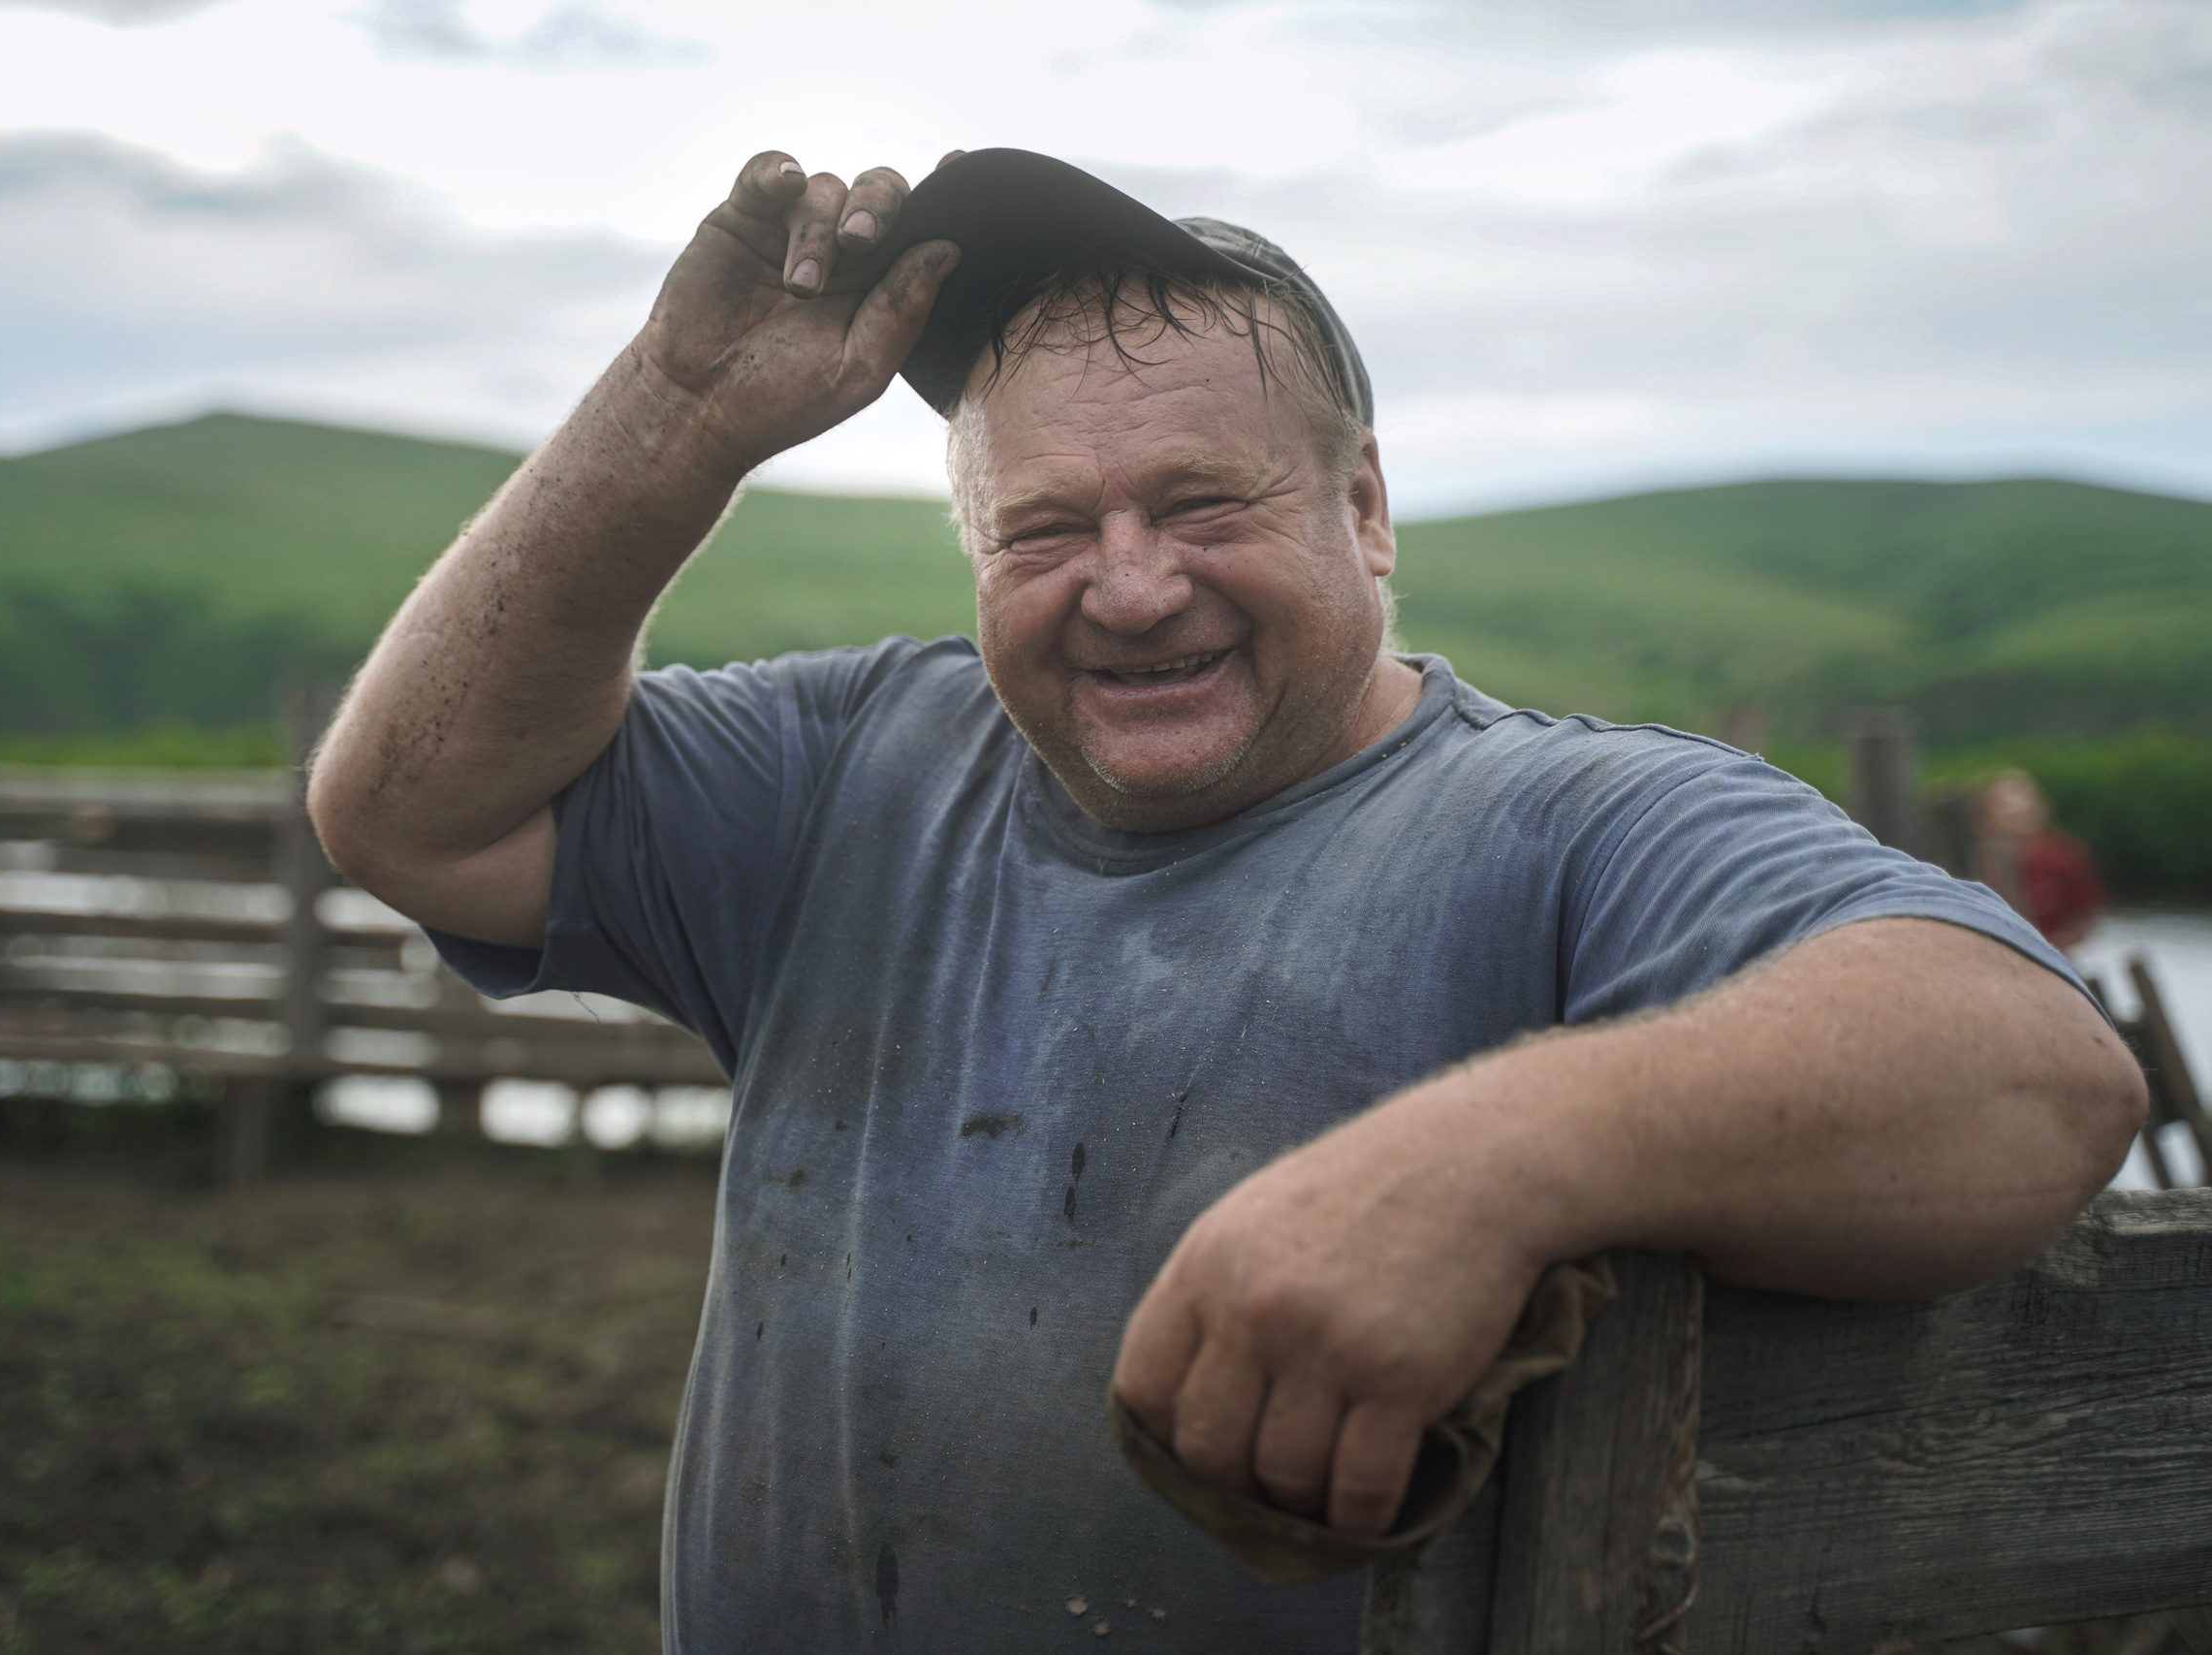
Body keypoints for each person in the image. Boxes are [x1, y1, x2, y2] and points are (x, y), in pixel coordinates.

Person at [306, 148, 2145, 1651]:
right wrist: (674, 418)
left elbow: (2031, 1070)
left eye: (1202, 503)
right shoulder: (851, 765)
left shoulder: (1566, 819)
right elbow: (415, 816)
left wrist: (1479, 1165)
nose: (1124, 586)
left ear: (1364, 507)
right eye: (1043, 529)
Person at [1977, 770, 2110, 949]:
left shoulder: (2062, 855)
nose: (2018, 813)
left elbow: (2087, 914)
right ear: (1988, 814)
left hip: (2052, 956)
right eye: (2007, 807)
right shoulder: (1977, 863)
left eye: (2025, 804)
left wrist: (2052, 948)